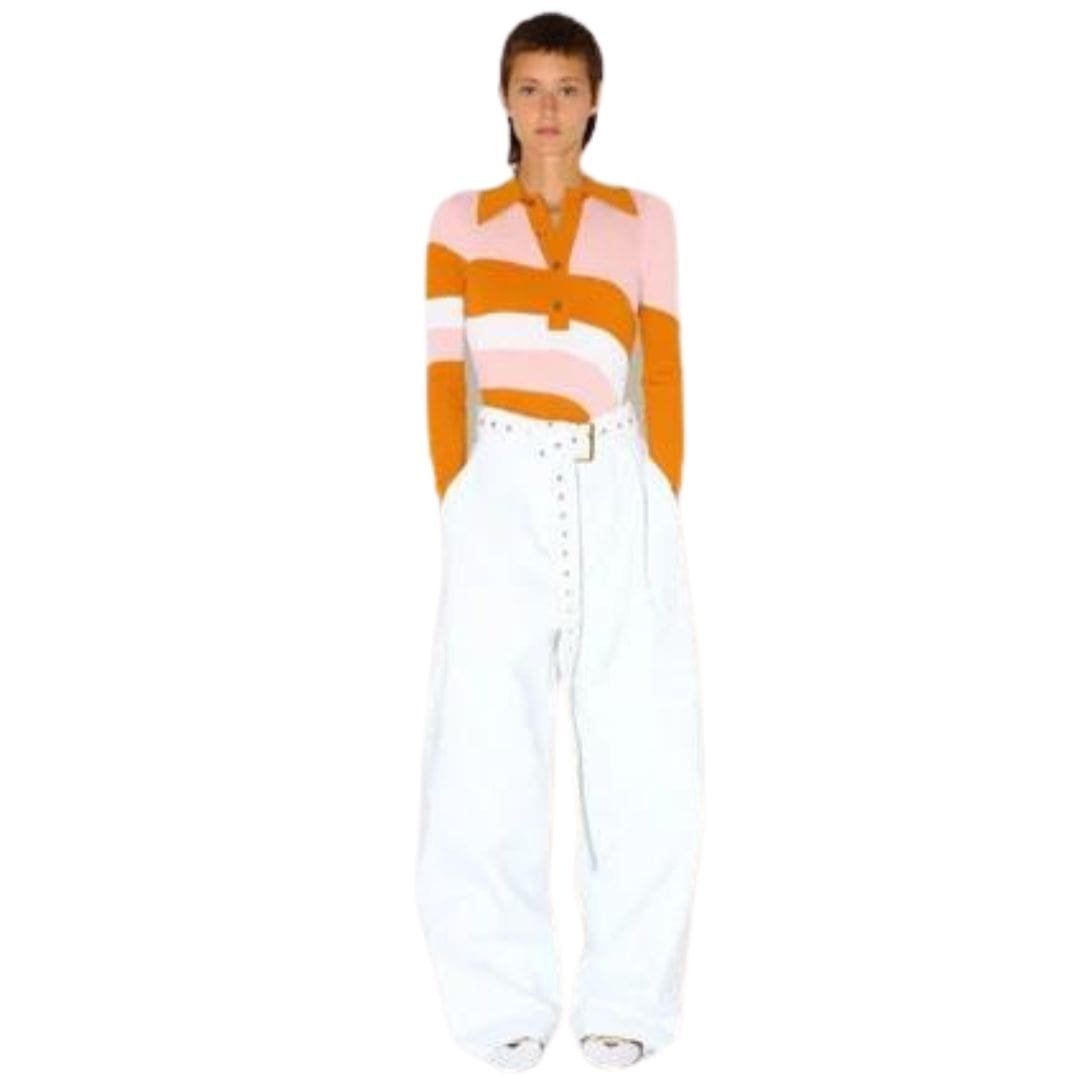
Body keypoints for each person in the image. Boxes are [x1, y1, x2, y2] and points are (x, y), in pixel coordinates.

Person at [415, 13, 704, 1071]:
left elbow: (660, 361)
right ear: (504, 99)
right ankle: (500, 998)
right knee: (486, 747)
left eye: (567, 88)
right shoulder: (459, 220)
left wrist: (658, 491)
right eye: (530, 87)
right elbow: (443, 372)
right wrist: (460, 496)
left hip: (615, 473)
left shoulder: (643, 218)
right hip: (498, 481)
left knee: (644, 744)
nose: (548, 109)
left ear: (594, 102)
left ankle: (628, 996)